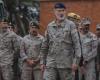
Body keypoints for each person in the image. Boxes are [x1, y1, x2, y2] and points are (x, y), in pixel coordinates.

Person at [40, 3, 81, 80]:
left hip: (66, 64)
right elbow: (44, 46)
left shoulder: (71, 25)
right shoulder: (50, 26)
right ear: (54, 11)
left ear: (65, 11)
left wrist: (76, 62)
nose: (61, 13)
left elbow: (77, 45)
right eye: (59, 11)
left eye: (63, 11)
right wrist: (42, 62)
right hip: (51, 63)